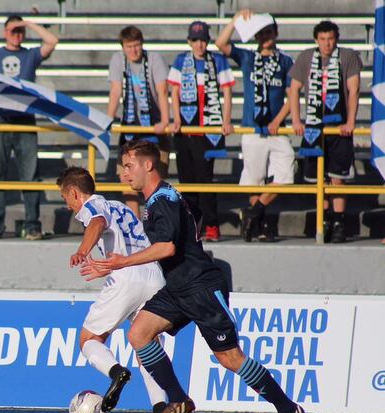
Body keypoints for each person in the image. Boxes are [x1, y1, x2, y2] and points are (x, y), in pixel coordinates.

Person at [82, 140, 305, 413]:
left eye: (128, 166)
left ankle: (286, 407)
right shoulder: (165, 197)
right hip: (177, 286)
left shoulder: (162, 199)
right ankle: (178, 399)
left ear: (148, 165)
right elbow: (193, 216)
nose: (124, 174)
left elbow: (166, 246)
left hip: (201, 286)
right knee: (138, 333)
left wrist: (120, 262)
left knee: (229, 358)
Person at [57, 166, 169, 413]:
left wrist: (83, 250)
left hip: (126, 276)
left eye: (66, 199)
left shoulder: (92, 207)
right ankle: (160, 408)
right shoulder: (119, 205)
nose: (69, 206)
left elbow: (97, 222)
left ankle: (116, 372)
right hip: (154, 274)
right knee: (147, 345)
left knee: (89, 339)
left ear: (74, 192)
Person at [216, 9, 295, 242]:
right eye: (261, 33)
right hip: (252, 127)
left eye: (269, 32)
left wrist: (278, 120)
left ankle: (252, 212)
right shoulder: (248, 57)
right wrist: (236, 19)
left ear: (276, 33)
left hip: (276, 128)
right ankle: (258, 227)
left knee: (287, 173)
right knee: (255, 179)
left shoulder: (286, 60)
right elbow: (221, 43)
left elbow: (292, 96)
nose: (265, 37)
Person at [0, 15, 58, 240]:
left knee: (30, 175)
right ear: (4, 32)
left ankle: (32, 224)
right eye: (12, 30)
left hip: (25, 120)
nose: (17, 34)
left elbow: (52, 41)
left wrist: (29, 24)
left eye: (20, 31)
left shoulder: (30, 55)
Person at [288, 20, 362, 243]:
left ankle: (339, 221)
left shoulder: (346, 56)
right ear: (316, 40)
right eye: (322, 39)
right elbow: (293, 89)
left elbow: (354, 89)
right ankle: (324, 219)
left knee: (338, 177)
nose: (326, 44)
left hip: (338, 125)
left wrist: (350, 121)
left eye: (330, 39)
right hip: (313, 126)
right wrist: (296, 119)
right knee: (318, 178)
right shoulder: (306, 57)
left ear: (336, 38)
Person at [167, 21, 235, 242]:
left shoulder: (218, 61)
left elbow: (227, 94)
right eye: (195, 40)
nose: (199, 44)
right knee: (187, 181)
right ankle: (192, 226)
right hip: (185, 130)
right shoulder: (180, 61)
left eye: (203, 40)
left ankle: (212, 225)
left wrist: (225, 120)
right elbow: (174, 92)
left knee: (205, 179)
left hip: (208, 130)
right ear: (189, 41)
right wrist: (176, 119)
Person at [107, 26, 171, 214]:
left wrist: (165, 121)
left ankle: (157, 222)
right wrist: (108, 120)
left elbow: (162, 91)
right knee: (128, 180)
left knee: (155, 180)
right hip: (129, 131)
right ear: (123, 47)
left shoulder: (154, 58)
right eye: (129, 46)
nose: (134, 50)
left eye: (137, 45)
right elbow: (115, 91)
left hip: (153, 129)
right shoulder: (118, 60)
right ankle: (134, 224)